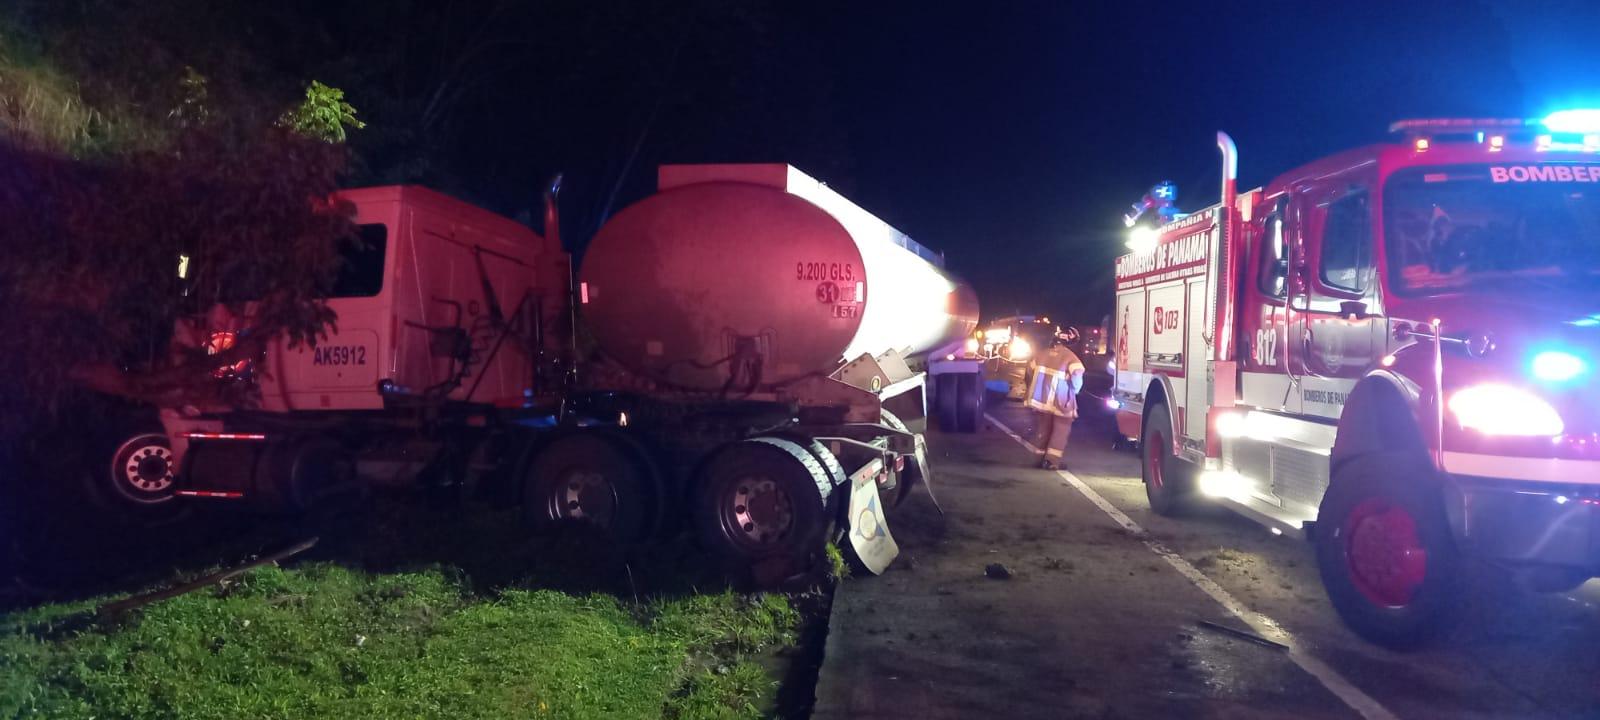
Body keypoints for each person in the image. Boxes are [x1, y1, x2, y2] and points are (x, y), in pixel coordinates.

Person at [1025, 331, 1085, 470]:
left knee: (1043, 428)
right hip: (1061, 401)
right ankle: (1051, 461)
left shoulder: (1040, 354)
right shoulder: (1071, 358)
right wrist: (1075, 390)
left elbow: (1029, 372)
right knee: (1061, 430)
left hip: (1040, 400)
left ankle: (1039, 458)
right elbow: (1077, 380)